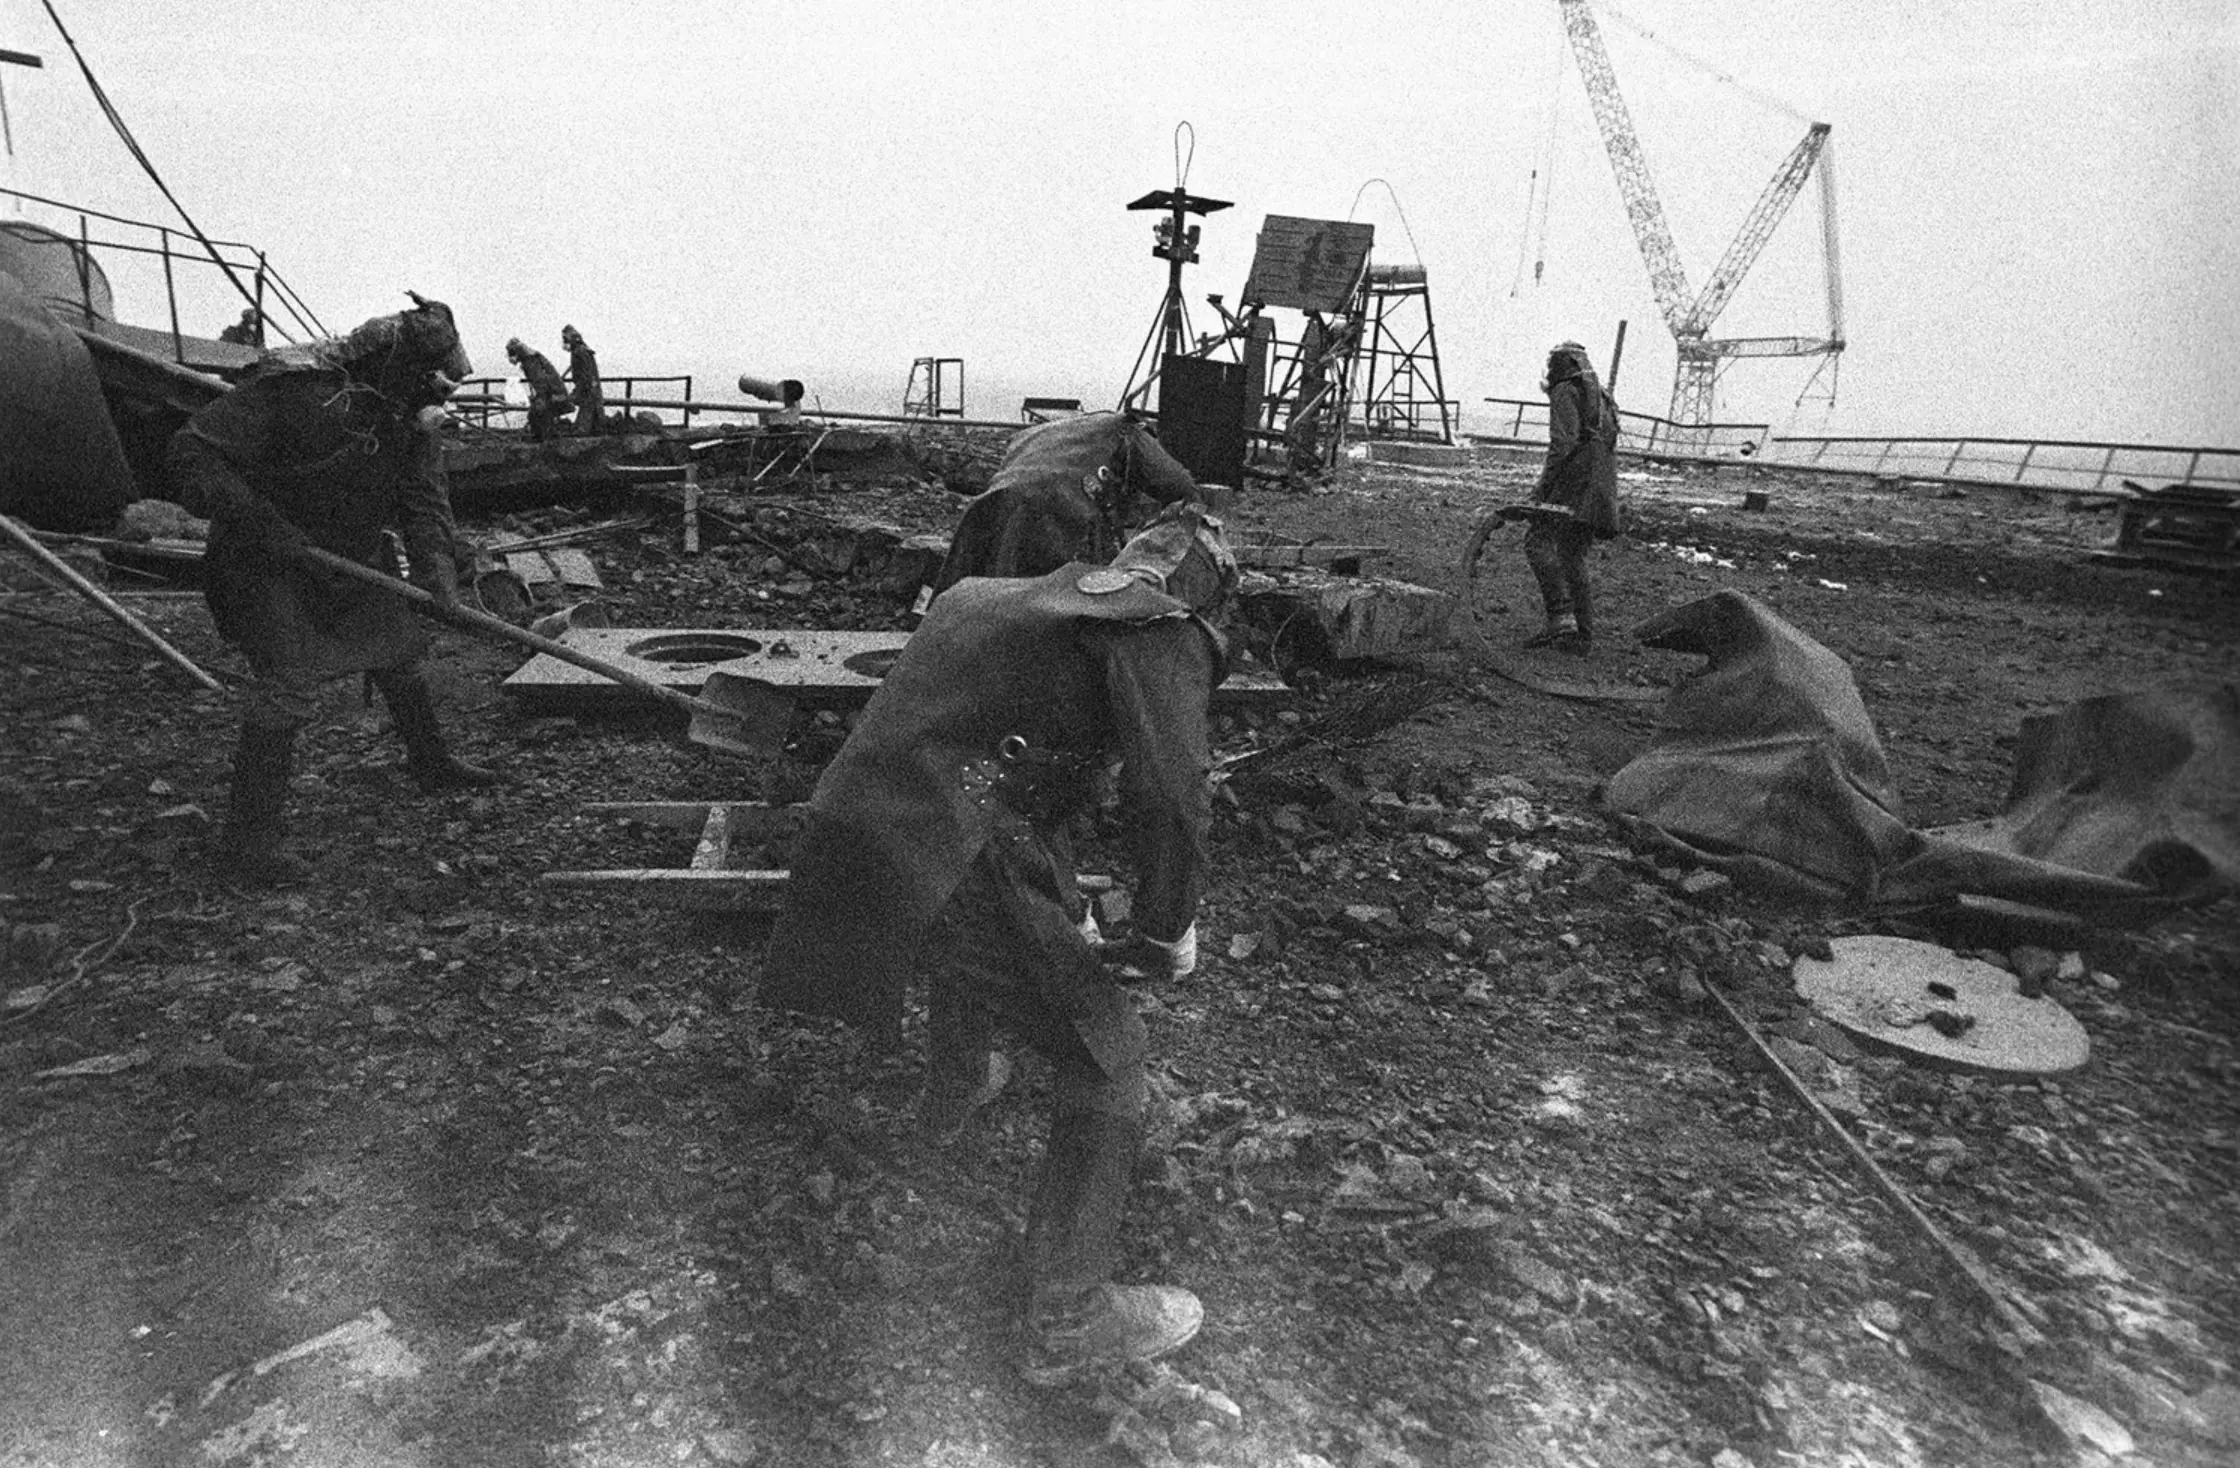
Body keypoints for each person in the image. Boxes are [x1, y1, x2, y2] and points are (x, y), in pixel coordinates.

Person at [763, 502, 1239, 1368]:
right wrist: (1166, 928)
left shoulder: (990, 596)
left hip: (862, 824)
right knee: (1108, 1059)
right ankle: (1068, 1320)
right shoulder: (1157, 629)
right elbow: (1170, 797)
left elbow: (996, 758)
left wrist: (1059, 901)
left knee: (979, 946)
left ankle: (955, 1092)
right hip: (960, 844)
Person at [167, 293, 499, 887]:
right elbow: (190, 450)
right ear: (394, 368)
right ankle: (250, 844)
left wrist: (439, 576)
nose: (437, 397)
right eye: (430, 381)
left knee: (399, 651)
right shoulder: (292, 392)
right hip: (267, 558)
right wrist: (262, 523)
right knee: (288, 683)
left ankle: (431, 763)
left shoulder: (407, 416)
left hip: (353, 557)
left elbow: (424, 503)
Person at [934, 410, 1203, 592]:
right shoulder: (1129, 430)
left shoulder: (1043, 433)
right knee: (1064, 596)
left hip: (994, 498)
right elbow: (1178, 483)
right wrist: (1196, 505)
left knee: (980, 591)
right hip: (1058, 506)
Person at [1522, 340, 1622, 651]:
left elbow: (1562, 445)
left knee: (1537, 541)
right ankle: (1584, 635)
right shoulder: (1602, 396)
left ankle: (1560, 618)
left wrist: (1540, 490)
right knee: (1572, 555)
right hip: (1601, 482)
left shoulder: (1566, 389)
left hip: (1575, 481)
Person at [506, 336, 573, 440]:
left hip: (551, 393)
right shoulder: (531, 358)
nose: (510, 358)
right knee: (538, 415)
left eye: (511, 354)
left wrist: (540, 397)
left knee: (536, 414)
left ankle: (545, 441)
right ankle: (545, 438)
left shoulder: (530, 362)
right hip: (552, 391)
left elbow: (541, 381)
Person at [560, 324, 604, 435]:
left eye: (564, 340)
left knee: (587, 414)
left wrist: (576, 391)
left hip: (588, 389)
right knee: (591, 414)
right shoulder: (581, 351)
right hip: (590, 388)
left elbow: (585, 375)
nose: (563, 343)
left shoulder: (579, 352)